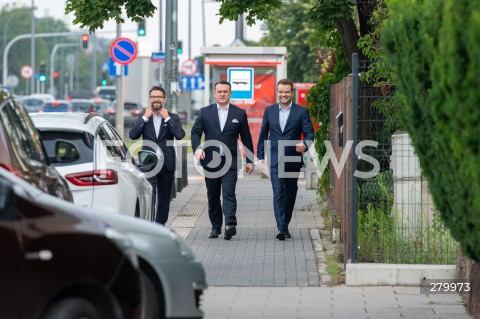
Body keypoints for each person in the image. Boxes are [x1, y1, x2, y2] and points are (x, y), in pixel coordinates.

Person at [191, 80, 254, 240]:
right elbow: (195, 132)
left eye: (225, 91)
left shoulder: (239, 113)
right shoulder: (205, 112)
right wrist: (198, 148)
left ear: (230, 93)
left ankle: (230, 224)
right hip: (210, 161)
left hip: (230, 161)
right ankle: (216, 226)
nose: (222, 94)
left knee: (228, 192)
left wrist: (250, 160)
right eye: (219, 91)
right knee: (212, 195)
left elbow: (246, 137)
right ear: (215, 93)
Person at [257, 79, 314, 240]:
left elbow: (310, 134)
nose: (283, 94)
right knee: (278, 192)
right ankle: (281, 228)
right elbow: (262, 135)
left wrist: (304, 144)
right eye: (281, 92)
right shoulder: (269, 111)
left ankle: (285, 224)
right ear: (277, 92)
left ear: (292, 93)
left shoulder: (301, 112)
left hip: (292, 159)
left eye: (287, 92)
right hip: (274, 159)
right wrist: (260, 156)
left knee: (290, 192)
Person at [129, 86, 185, 225]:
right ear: (150, 99)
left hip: (167, 164)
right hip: (149, 164)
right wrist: (144, 118)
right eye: (153, 97)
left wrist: (167, 118)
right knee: (150, 196)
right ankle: (149, 224)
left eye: (159, 97)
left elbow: (180, 135)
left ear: (164, 100)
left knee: (164, 200)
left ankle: (160, 225)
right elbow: (132, 135)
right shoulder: (144, 118)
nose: (156, 99)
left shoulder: (173, 117)